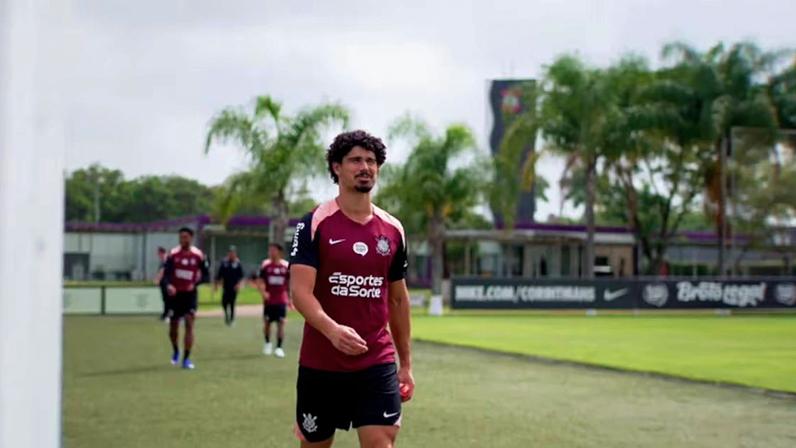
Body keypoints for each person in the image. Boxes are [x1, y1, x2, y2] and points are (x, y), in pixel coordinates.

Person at [290, 130, 414, 448]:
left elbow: (398, 300)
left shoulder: (393, 229)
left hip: (376, 360)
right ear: (336, 167)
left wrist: (406, 365)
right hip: (321, 362)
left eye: (372, 161)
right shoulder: (314, 223)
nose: (365, 167)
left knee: (380, 443)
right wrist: (332, 331)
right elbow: (300, 292)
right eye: (356, 160)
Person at [163, 227, 205, 370]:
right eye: (181, 237)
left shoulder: (198, 255)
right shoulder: (173, 254)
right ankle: (176, 350)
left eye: (186, 237)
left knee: (189, 323)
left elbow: (204, 275)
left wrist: (194, 284)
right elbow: (166, 274)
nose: (183, 240)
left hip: (190, 295)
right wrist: (169, 285)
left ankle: (186, 359)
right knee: (173, 327)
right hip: (175, 295)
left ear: (191, 238)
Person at [258, 243, 291, 357]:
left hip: (281, 299)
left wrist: (290, 299)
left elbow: (289, 283)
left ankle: (279, 347)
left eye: (273, 250)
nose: (271, 252)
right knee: (267, 322)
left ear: (279, 252)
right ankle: (267, 343)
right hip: (269, 300)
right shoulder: (265, 265)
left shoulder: (286, 266)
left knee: (281, 323)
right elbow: (261, 281)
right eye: (270, 250)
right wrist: (263, 292)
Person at [214, 245, 244, 326]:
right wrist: (216, 284)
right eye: (230, 252)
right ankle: (226, 315)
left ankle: (232, 318)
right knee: (224, 302)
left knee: (232, 303)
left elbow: (241, 276)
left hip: (234, 287)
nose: (232, 254)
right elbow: (219, 275)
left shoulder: (237, 263)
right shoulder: (224, 263)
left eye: (233, 252)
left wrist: (239, 285)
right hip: (226, 286)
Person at [153, 246, 170, 321]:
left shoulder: (166, 259)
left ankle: (168, 314)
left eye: (158, 253)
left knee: (168, 299)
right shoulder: (163, 260)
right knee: (165, 299)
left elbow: (162, 271)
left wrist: (157, 279)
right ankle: (165, 314)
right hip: (164, 282)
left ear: (161, 253)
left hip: (167, 282)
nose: (158, 255)